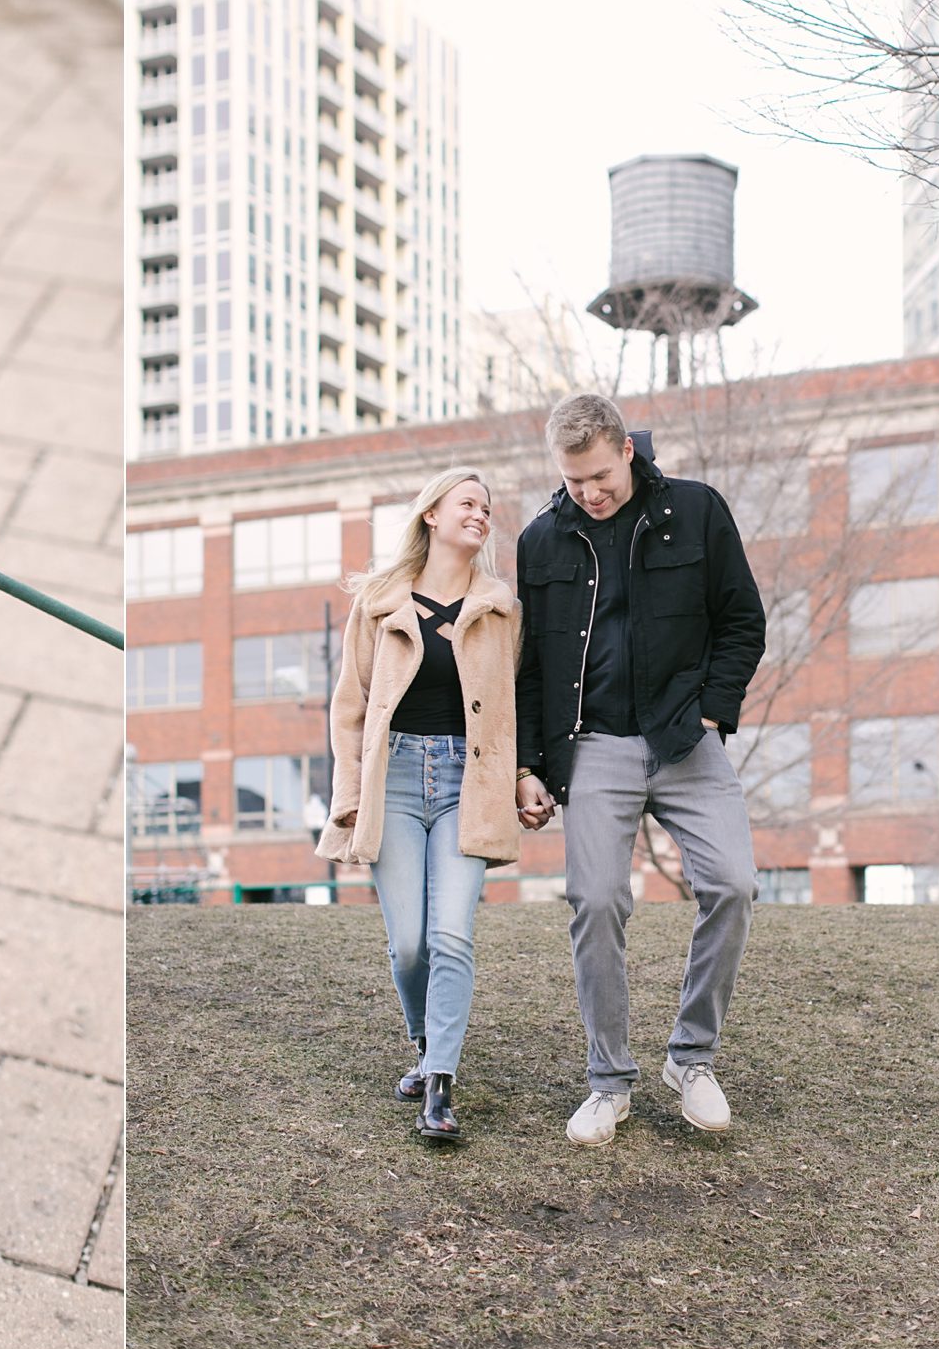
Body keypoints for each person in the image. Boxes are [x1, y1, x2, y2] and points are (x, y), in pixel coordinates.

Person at [514, 394, 767, 1147]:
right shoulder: (541, 541)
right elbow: (528, 669)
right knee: (594, 901)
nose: (588, 493)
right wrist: (529, 764)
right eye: (573, 479)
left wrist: (715, 712)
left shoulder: (695, 511)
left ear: (627, 450)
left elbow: (742, 621)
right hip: (593, 746)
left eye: (598, 475)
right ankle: (607, 1082)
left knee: (733, 885)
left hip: (687, 740)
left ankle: (691, 1061)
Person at [318, 467, 535, 1141]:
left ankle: (439, 1086)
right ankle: (424, 1044)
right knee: (409, 941)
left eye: (488, 508)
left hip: (469, 783)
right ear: (432, 516)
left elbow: (514, 707)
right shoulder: (380, 602)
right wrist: (350, 795)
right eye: (468, 503)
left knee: (451, 935)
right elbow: (349, 708)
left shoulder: (502, 610)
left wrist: (525, 774)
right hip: (399, 779)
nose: (481, 514)